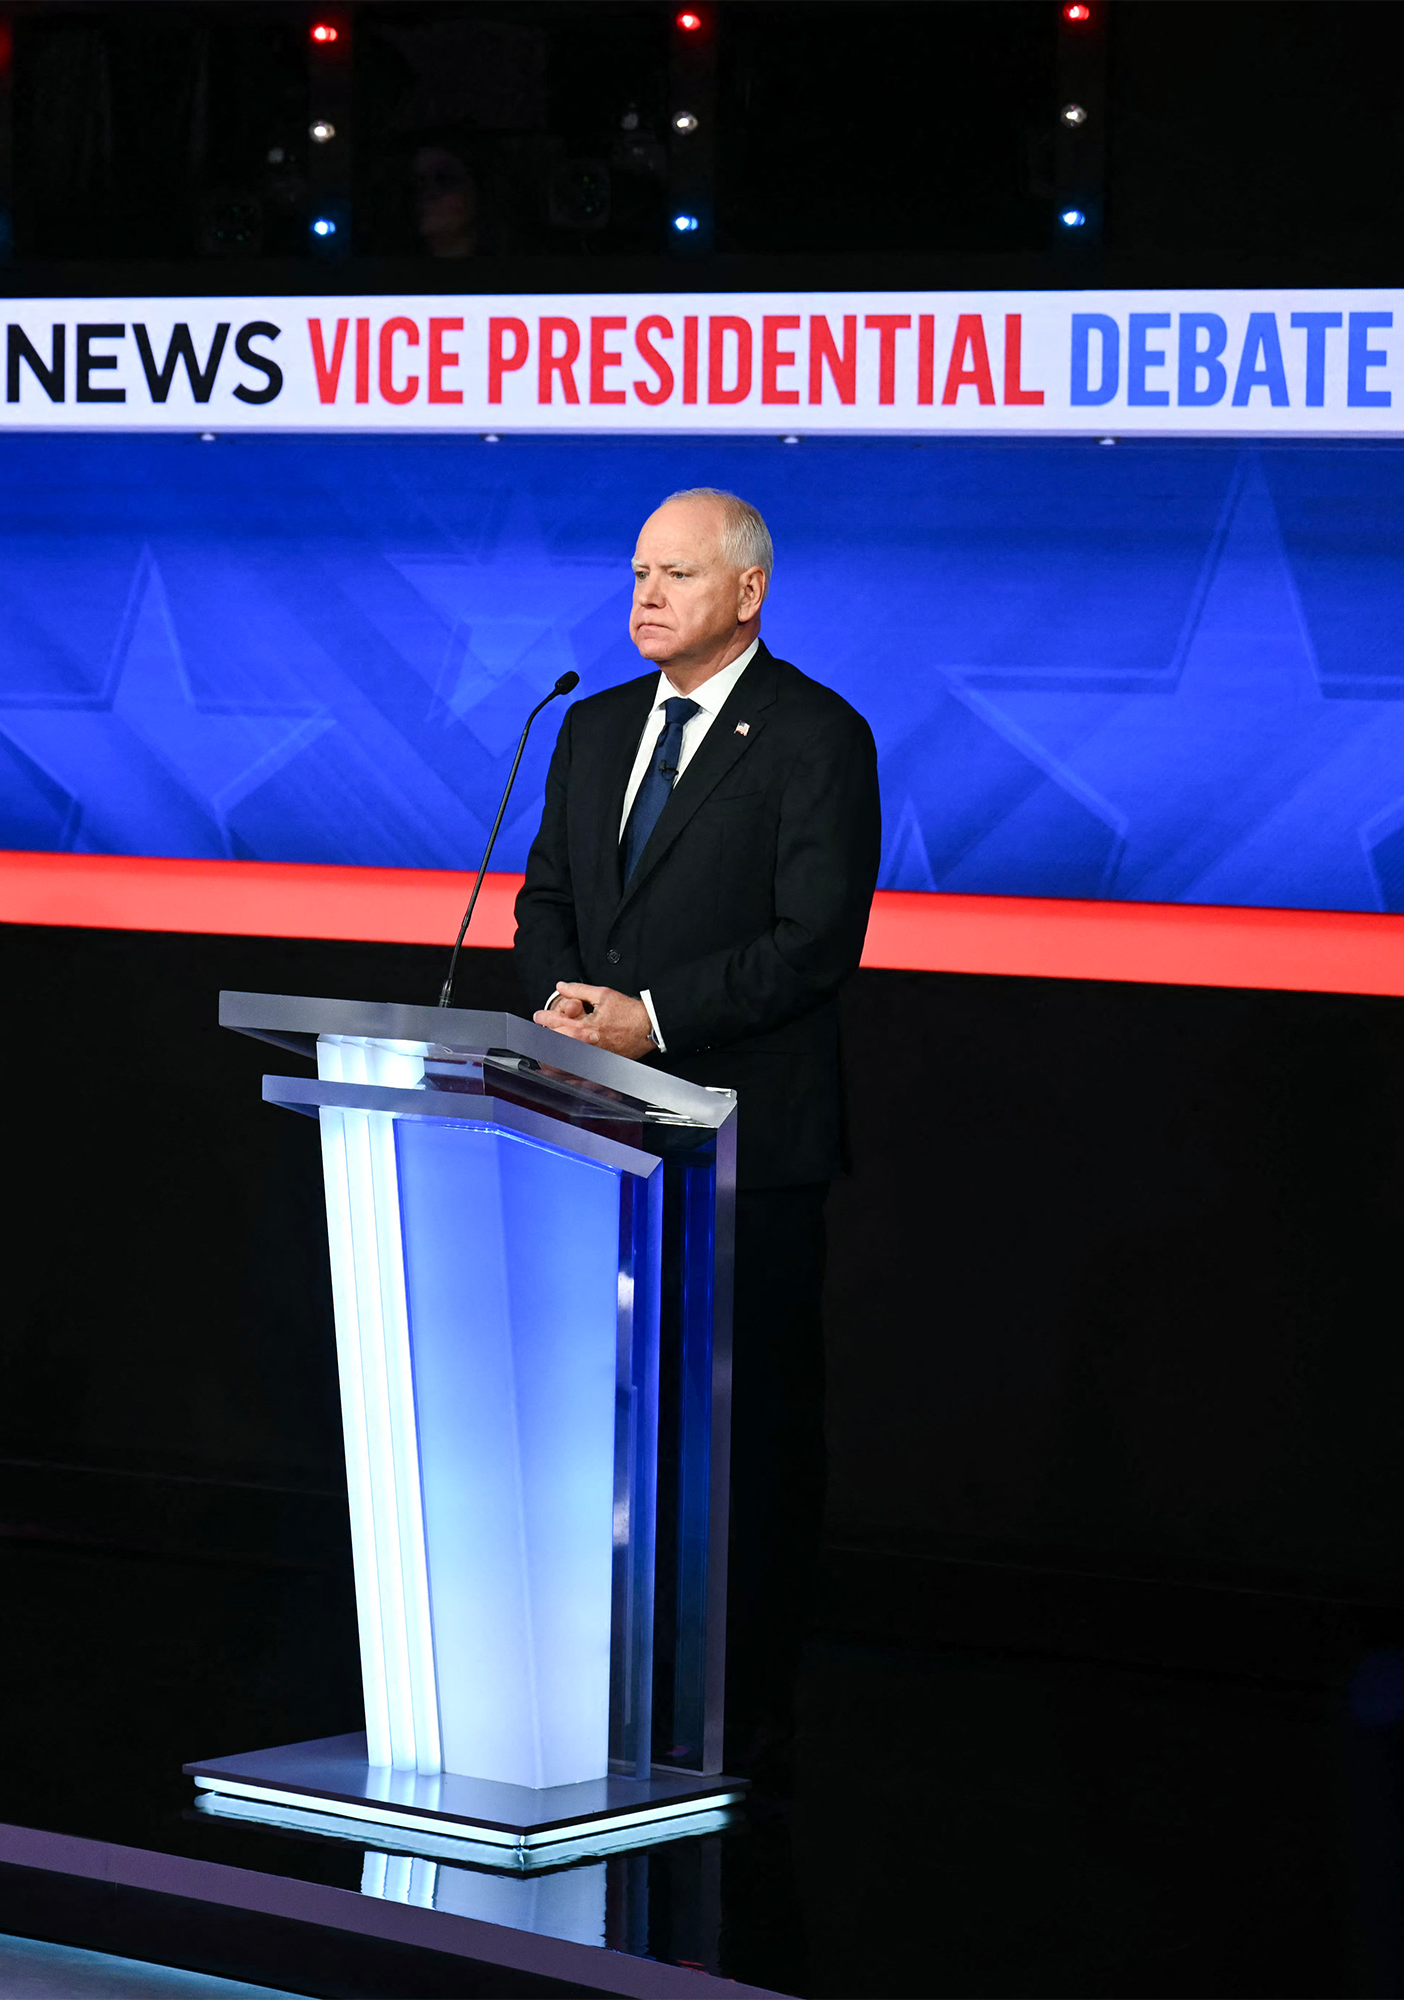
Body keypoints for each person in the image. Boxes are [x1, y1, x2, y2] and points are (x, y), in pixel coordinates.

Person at [508, 487, 880, 1778]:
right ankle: (606, 1684)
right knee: (604, 1425)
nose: (646, 595)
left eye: (675, 573)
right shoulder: (593, 726)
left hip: (746, 1149)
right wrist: (561, 1003)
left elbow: (814, 942)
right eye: (637, 572)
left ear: (749, 591)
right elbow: (545, 894)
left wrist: (649, 1019)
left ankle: (747, 1709)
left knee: (750, 1436)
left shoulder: (816, 736)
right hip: (589, 1137)